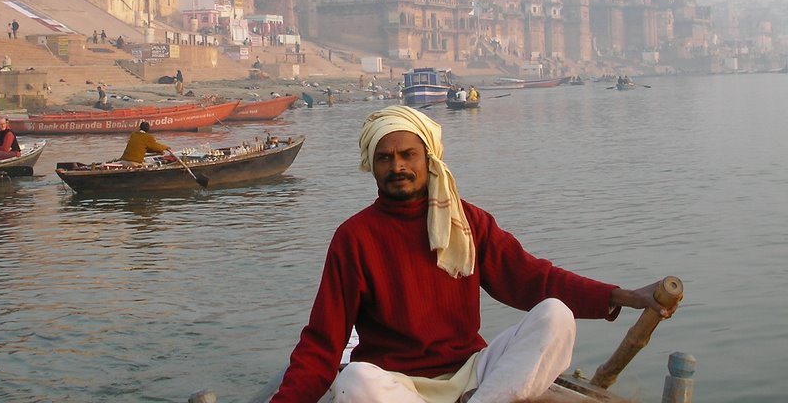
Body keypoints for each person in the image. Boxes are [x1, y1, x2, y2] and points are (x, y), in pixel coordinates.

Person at [271, 105, 674, 403]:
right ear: (371, 166)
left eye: (407, 155)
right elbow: (323, 342)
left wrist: (622, 296)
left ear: (428, 160)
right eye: (385, 157)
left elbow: (534, 279)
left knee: (556, 315)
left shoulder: (468, 221)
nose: (397, 166)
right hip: (396, 384)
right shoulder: (354, 237)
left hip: (472, 373)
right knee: (355, 380)